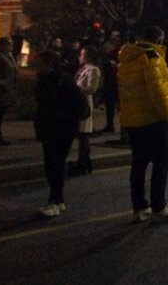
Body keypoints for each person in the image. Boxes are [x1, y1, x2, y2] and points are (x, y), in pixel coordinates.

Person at [119, 26, 168, 223]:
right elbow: (158, 90)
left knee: (139, 162)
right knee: (161, 162)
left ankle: (139, 206)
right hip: (152, 118)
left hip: (132, 118)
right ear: (159, 39)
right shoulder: (152, 57)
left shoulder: (127, 57)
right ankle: (159, 206)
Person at [33, 50, 84, 218]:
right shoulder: (44, 80)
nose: (36, 66)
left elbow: (78, 105)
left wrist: (64, 119)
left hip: (61, 129)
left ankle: (54, 201)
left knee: (55, 164)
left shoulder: (63, 80)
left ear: (49, 64)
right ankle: (58, 200)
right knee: (52, 164)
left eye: (39, 63)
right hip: (50, 128)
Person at [71, 45, 102, 175]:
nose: (80, 57)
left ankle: (82, 162)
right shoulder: (83, 69)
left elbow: (91, 88)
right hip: (77, 102)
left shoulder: (93, 70)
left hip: (84, 103)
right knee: (81, 134)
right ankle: (84, 162)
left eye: (83, 54)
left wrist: (76, 90)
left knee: (84, 133)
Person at [98, 41, 120, 134]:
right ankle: (110, 124)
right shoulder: (110, 54)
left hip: (117, 81)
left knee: (116, 105)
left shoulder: (120, 52)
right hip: (111, 81)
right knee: (110, 105)